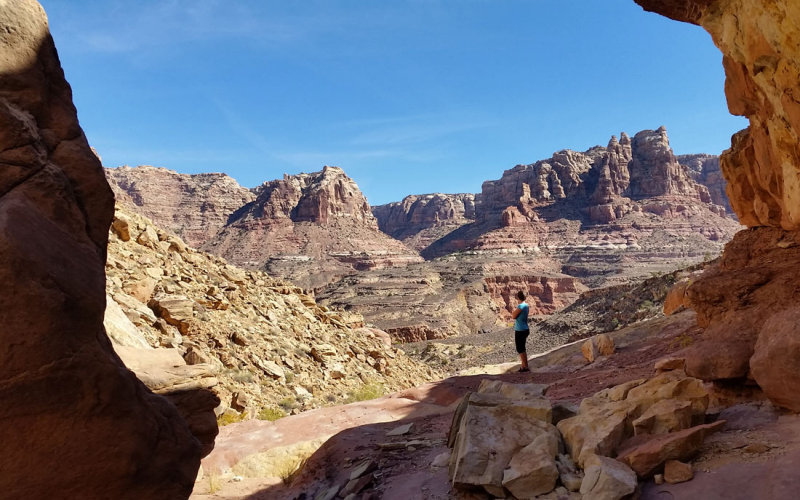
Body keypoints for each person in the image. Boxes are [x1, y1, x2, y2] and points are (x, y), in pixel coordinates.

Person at [511, 290, 530, 372]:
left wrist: (514, 311)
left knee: (520, 349)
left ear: (518, 297)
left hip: (520, 330)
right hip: (525, 329)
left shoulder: (520, 306)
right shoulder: (526, 305)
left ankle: (525, 366)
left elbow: (513, 316)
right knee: (522, 348)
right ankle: (523, 365)